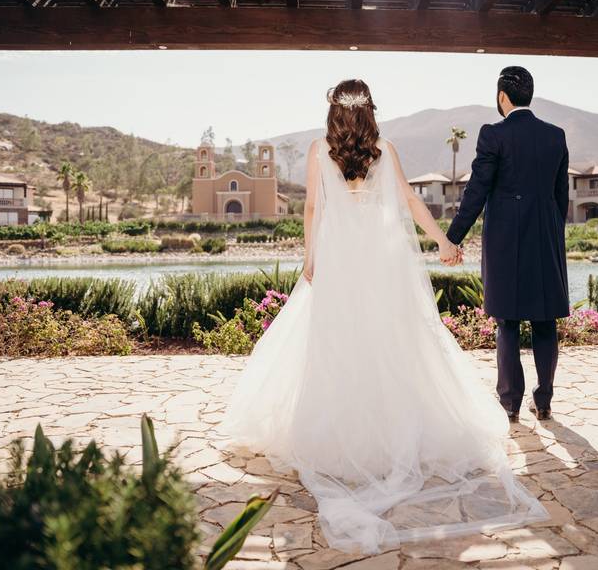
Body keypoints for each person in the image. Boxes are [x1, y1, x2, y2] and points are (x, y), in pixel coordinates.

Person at [222, 78, 547, 553]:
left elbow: (312, 208)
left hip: (337, 257)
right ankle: (386, 432)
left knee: (337, 342)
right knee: (389, 341)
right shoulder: (385, 149)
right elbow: (411, 201)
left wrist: (310, 256)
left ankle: (340, 436)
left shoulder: (318, 151)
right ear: (370, 110)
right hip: (380, 259)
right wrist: (442, 240)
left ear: (334, 111)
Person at [446, 66, 570, 423]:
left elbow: (476, 191)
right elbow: (560, 194)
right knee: (545, 322)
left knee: (508, 323)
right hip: (546, 238)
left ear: (502, 96)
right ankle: (543, 399)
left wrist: (454, 236)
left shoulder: (492, 135)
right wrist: (552, 232)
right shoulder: (555, 136)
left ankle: (510, 403)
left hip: (505, 242)